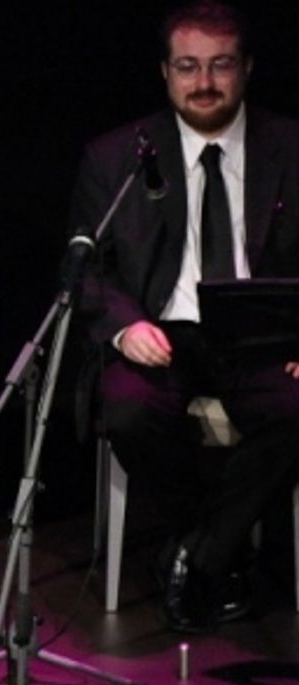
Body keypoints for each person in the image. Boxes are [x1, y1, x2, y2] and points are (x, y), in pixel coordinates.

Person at [71, 1, 299, 633]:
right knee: (127, 410)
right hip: (162, 332)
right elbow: (88, 268)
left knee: (295, 408)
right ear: (166, 73)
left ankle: (196, 557)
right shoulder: (117, 155)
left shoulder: (290, 147)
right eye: (188, 67)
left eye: (220, 65)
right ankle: (215, 549)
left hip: (263, 336)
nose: (204, 83)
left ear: (247, 68)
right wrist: (123, 326)